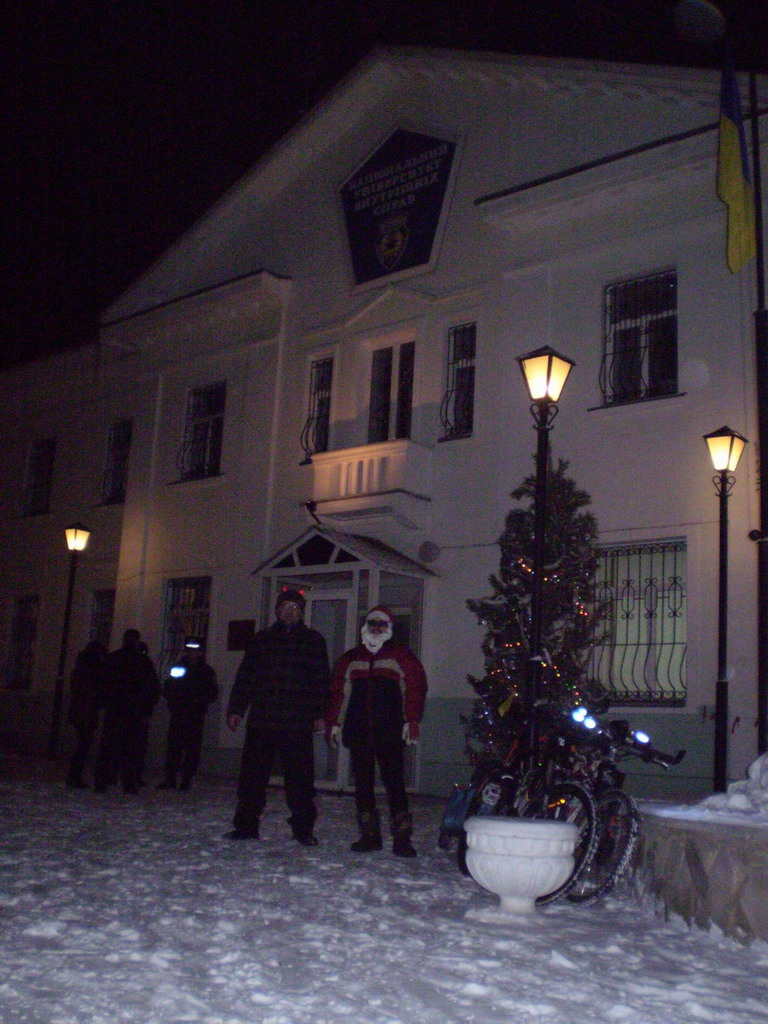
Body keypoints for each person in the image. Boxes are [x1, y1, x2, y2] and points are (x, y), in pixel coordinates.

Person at [226, 588, 330, 844]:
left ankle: (303, 829)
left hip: (297, 722)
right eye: (285, 607)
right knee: (252, 777)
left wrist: (320, 713)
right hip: (263, 719)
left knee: (300, 780)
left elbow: (320, 679)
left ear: (301, 612)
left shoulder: (313, 640)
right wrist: (237, 709)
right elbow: (246, 676)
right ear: (277, 610)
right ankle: (246, 825)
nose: (289, 612)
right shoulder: (261, 640)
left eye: (294, 607)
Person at [325, 605, 427, 858]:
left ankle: (402, 838)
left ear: (389, 628)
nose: (376, 629)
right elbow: (338, 692)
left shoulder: (401, 656)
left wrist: (412, 720)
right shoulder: (351, 659)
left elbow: (415, 688)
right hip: (359, 731)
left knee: (395, 784)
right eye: (373, 624)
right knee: (363, 785)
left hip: (390, 731)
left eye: (381, 625)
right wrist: (334, 722)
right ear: (366, 627)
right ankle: (369, 835)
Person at [93, 628, 161, 795]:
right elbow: (152, 688)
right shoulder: (142, 661)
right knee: (131, 749)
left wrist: (103, 703)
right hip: (134, 711)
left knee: (109, 747)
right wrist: (147, 710)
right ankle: (129, 783)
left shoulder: (113, 659)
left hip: (115, 710)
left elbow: (101, 683)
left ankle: (102, 781)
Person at [157, 636, 219, 791]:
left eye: (195, 651)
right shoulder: (179, 667)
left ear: (200, 652)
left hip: (195, 714)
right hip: (179, 713)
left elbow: (212, 693)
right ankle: (171, 779)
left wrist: (198, 700)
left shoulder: (206, 671)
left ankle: (186, 780)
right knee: (174, 747)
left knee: (192, 748)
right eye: (189, 650)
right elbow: (169, 686)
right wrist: (175, 699)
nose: (191, 653)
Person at [65, 639, 108, 789]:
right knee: (84, 745)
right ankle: (74, 777)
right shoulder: (89, 671)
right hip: (85, 711)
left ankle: (74, 776)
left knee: (83, 745)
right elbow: (89, 692)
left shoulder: (81, 669)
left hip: (82, 710)